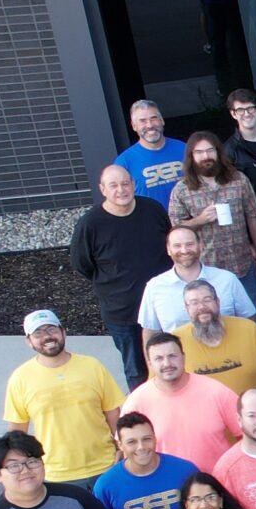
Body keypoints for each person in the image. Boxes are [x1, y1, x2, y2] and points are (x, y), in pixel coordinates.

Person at [72, 164, 173, 387]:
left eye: (125, 183)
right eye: (113, 185)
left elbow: (169, 246)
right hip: (123, 314)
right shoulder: (90, 224)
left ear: (134, 184)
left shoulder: (153, 209)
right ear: (103, 189)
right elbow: (83, 265)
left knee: (173, 363)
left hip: (163, 306)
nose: (121, 190)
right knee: (137, 372)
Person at [5, 309, 125, 485]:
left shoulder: (92, 366)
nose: (47, 336)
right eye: (38, 333)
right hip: (56, 474)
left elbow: (113, 414)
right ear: (29, 341)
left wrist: (122, 448)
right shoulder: (20, 378)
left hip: (106, 467)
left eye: (51, 329)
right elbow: (17, 433)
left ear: (63, 332)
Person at [121, 331, 242, 474]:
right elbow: (127, 452)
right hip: (168, 490)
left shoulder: (217, 391)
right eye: (159, 358)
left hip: (216, 485)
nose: (167, 363)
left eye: (172, 356)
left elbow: (244, 435)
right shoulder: (137, 402)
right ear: (150, 364)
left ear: (183, 357)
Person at [90, 412, 199, 509]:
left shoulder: (185, 470)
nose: (141, 447)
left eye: (146, 439)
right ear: (120, 445)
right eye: (131, 442)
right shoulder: (106, 486)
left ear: (155, 438)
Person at [165, 130, 256, 285]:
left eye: (210, 150)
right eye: (199, 152)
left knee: (251, 310)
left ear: (219, 152)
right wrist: (200, 220)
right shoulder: (181, 189)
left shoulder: (238, 179)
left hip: (242, 265)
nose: (205, 156)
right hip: (207, 272)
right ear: (191, 156)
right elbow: (176, 229)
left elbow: (252, 218)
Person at [139, 215, 256, 336]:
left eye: (189, 244)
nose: (184, 250)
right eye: (177, 246)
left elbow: (249, 320)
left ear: (201, 246)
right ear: (168, 250)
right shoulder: (154, 287)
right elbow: (151, 332)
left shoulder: (227, 279)